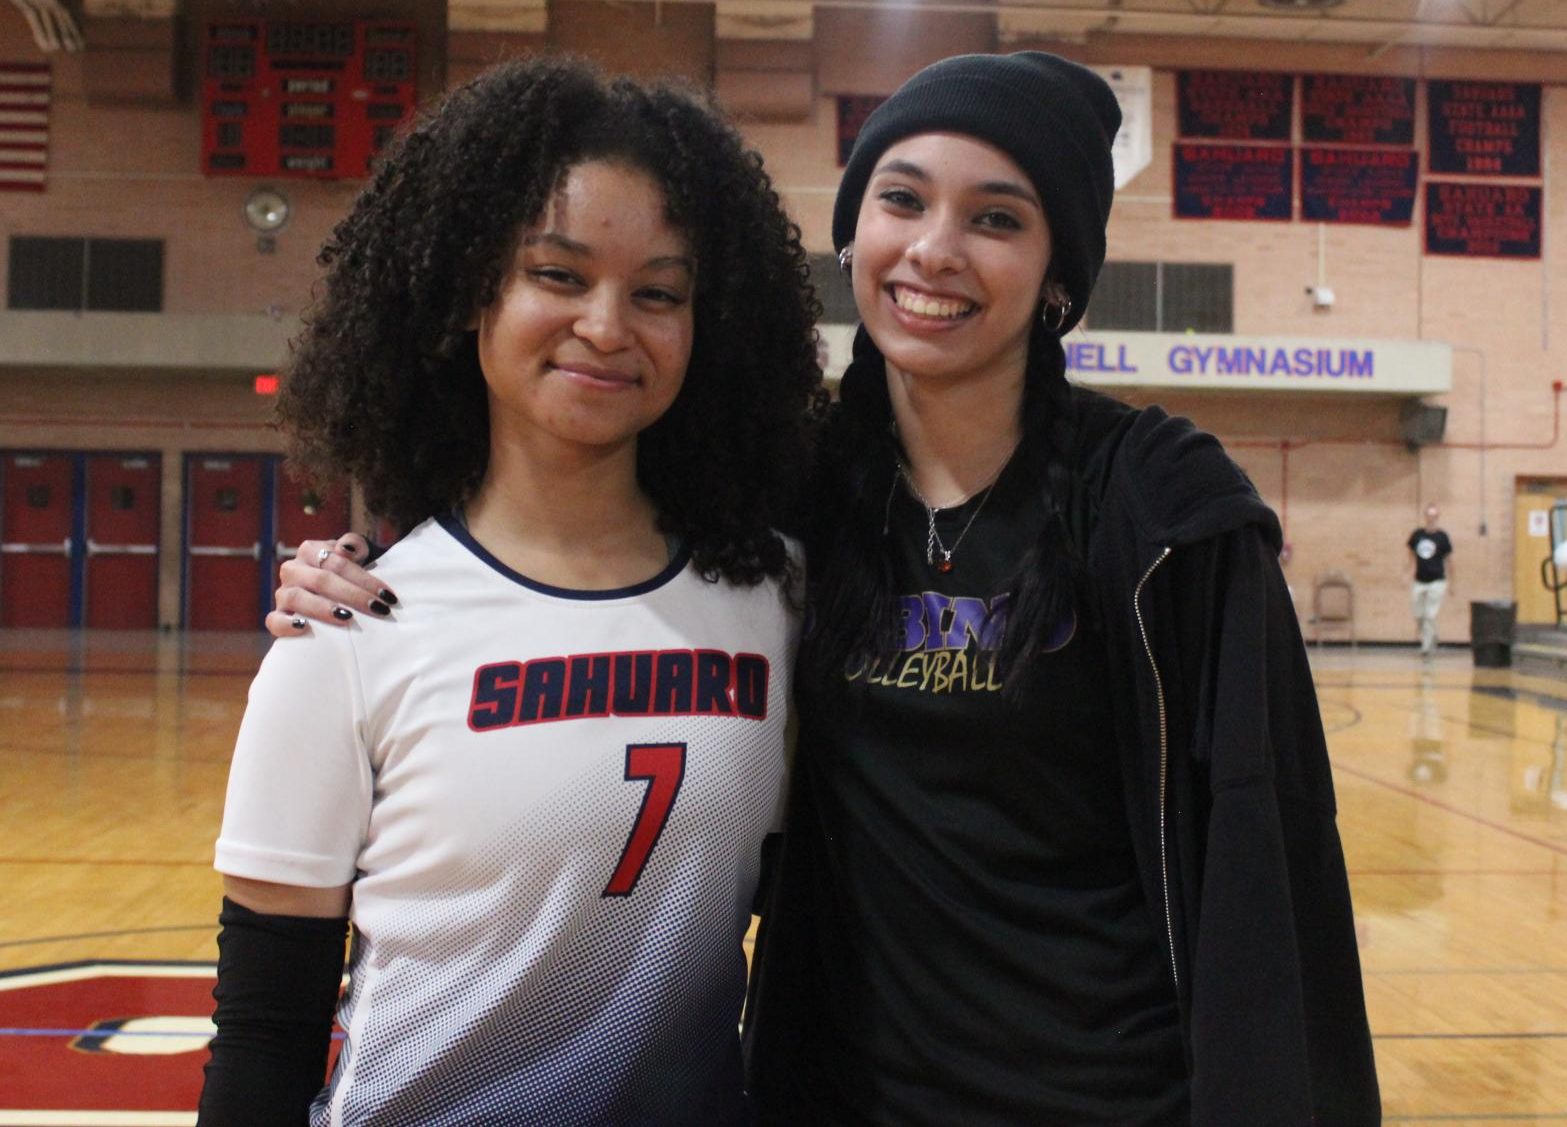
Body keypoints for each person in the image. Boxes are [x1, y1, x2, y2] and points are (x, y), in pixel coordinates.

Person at [276, 51, 1380, 1125]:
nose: (934, 250)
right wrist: (377, 562)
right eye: (902, 200)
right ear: (855, 229)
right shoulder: (782, 503)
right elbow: (558, 506)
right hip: (832, 1094)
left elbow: (1264, 873)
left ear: (1059, 276)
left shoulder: (1159, 514)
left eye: (996, 218)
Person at [199, 56, 822, 1126]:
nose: (608, 324)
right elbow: (265, 1030)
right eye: (560, 274)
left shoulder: (776, 599)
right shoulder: (347, 631)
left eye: (659, 293)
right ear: (466, 290)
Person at [1409, 503, 1454, 657]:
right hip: (1419, 580)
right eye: (1429, 515)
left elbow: (1448, 560)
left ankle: (1426, 647)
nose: (1431, 519)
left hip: (1437, 581)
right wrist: (1406, 571)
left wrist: (1453, 582)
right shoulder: (1417, 535)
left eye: (1434, 516)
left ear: (1438, 518)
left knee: (1430, 615)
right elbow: (1410, 554)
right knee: (1418, 614)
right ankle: (1432, 634)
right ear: (1425, 517)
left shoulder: (1442, 537)